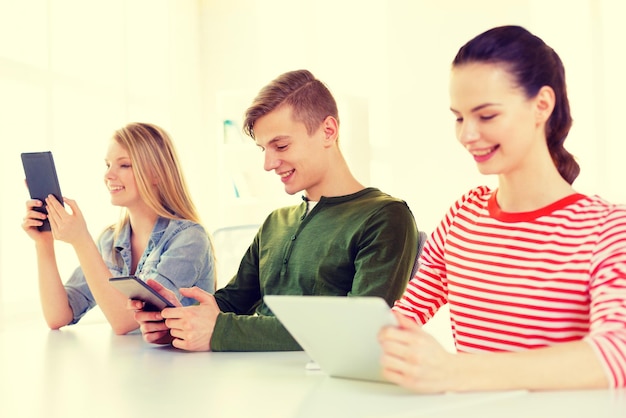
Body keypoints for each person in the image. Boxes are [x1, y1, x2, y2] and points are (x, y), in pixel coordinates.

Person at [379, 25, 626, 392]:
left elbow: (616, 352)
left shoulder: (607, 228)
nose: (466, 135)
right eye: (459, 117)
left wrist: (454, 372)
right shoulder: (464, 214)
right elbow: (408, 311)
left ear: (542, 105)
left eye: (487, 116)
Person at [131, 69, 419, 351]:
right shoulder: (276, 222)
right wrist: (177, 319)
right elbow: (232, 302)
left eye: (280, 145)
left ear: (328, 131)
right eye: (263, 149)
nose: (268, 164)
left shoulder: (385, 217)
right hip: (254, 382)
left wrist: (221, 331)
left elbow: (359, 328)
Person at [22, 122, 215, 335]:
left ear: (156, 174)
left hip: (184, 366)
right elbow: (58, 315)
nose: (109, 175)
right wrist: (44, 242)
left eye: (124, 165)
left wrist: (81, 240)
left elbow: (125, 322)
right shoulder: (110, 240)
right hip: (131, 364)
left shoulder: (189, 239)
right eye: (107, 165)